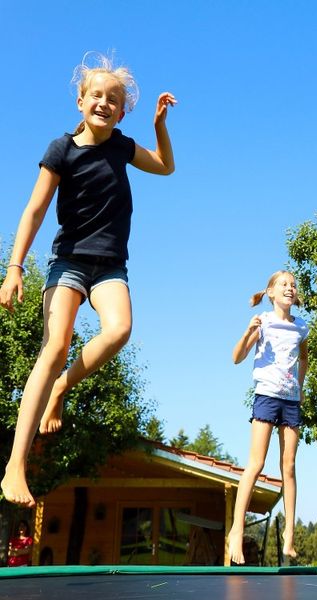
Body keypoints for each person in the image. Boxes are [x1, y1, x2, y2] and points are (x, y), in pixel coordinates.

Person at [0, 52, 177, 508]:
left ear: (122, 111)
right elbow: (35, 210)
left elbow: (164, 166)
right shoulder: (61, 150)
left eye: (113, 99)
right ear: (80, 101)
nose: (103, 102)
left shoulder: (121, 146)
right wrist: (15, 267)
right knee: (55, 345)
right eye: (95, 95)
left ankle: (62, 386)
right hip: (69, 263)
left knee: (119, 330)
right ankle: (15, 465)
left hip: (110, 266)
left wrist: (159, 124)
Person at [229, 271, 309, 564]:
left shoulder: (301, 327)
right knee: (257, 463)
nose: (290, 287)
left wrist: (300, 388)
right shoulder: (262, 321)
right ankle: (236, 530)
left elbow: (304, 359)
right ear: (271, 292)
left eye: (293, 284)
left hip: (290, 401)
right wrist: (248, 332)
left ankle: (289, 535)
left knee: (288, 467)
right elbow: (236, 357)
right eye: (283, 284)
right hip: (266, 396)